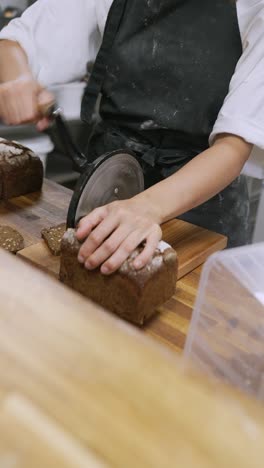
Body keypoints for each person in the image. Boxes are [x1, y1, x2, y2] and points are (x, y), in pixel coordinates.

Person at [0, 0, 262, 275]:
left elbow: (233, 147)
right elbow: (15, 42)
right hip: (109, 186)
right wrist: (16, 79)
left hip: (202, 207)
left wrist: (147, 207)